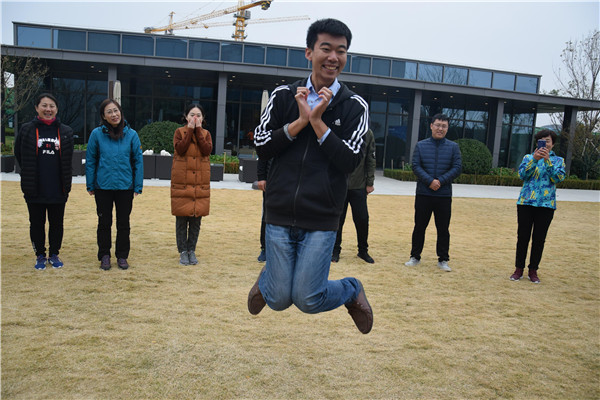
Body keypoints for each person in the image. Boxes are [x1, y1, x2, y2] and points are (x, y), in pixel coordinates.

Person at [248, 18, 373, 334]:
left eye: (341, 51)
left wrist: (317, 122)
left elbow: (350, 161)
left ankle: (351, 289)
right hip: (279, 212)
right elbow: (261, 145)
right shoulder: (284, 95)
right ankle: (266, 283)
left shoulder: (354, 106)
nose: (333, 57)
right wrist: (299, 122)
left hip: (321, 217)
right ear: (309, 52)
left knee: (307, 298)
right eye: (326, 48)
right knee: (278, 299)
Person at [14, 93, 74, 270]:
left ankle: (54, 254)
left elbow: (68, 158)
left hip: (58, 187)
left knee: (57, 223)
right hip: (34, 187)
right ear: (37, 108)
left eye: (52, 106)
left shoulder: (66, 131)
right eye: (44, 106)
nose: (48, 109)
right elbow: (19, 153)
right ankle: (40, 255)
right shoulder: (26, 130)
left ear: (57, 109)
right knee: (36, 223)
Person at [86, 99, 143, 271]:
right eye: (109, 112)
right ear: (103, 116)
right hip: (103, 186)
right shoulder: (96, 134)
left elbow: (138, 161)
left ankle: (122, 256)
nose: (114, 114)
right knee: (104, 223)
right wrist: (90, 184)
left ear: (121, 112)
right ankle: (104, 255)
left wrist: (137, 185)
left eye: (116, 110)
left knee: (123, 223)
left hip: (125, 186)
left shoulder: (132, 135)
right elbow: (91, 160)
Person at [404, 113, 462, 272]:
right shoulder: (421, 146)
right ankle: (415, 256)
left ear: (447, 128)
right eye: (437, 125)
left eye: (444, 126)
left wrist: (440, 181)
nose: (440, 129)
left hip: (443, 194)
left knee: (443, 229)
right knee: (419, 226)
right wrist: (430, 181)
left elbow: (457, 168)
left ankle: (443, 259)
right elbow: (416, 166)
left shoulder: (453, 147)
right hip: (424, 193)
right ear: (431, 126)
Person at [510, 129, 565, 284]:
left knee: (539, 239)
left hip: (546, 205)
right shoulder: (528, 158)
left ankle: (533, 270)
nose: (545, 144)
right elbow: (522, 175)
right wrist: (535, 160)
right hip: (526, 203)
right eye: (542, 141)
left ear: (553, 144)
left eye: (548, 141)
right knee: (523, 237)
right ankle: (518, 269)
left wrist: (547, 161)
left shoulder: (558, 161)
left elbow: (558, 178)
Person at [170, 104, 213, 266]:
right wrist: (189, 130)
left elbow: (206, 150)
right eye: (192, 115)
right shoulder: (179, 132)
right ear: (186, 116)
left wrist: (198, 131)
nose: (195, 118)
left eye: (198, 115)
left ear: (203, 118)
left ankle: (191, 250)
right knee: (181, 220)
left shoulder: (206, 134)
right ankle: (182, 251)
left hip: (199, 183)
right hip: (182, 183)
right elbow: (180, 149)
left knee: (196, 220)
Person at [332, 128, 376, 264]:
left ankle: (363, 250)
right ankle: (335, 250)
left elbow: (370, 158)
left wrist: (370, 182)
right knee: (338, 220)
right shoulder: (339, 128)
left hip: (359, 185)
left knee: (362, 219)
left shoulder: (367, 133)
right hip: (339, 185)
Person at [255, 157, 271, 263]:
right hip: (271, 180)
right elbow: (263, 155)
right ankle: (264, 248)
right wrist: (261, 177)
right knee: (267, 215)